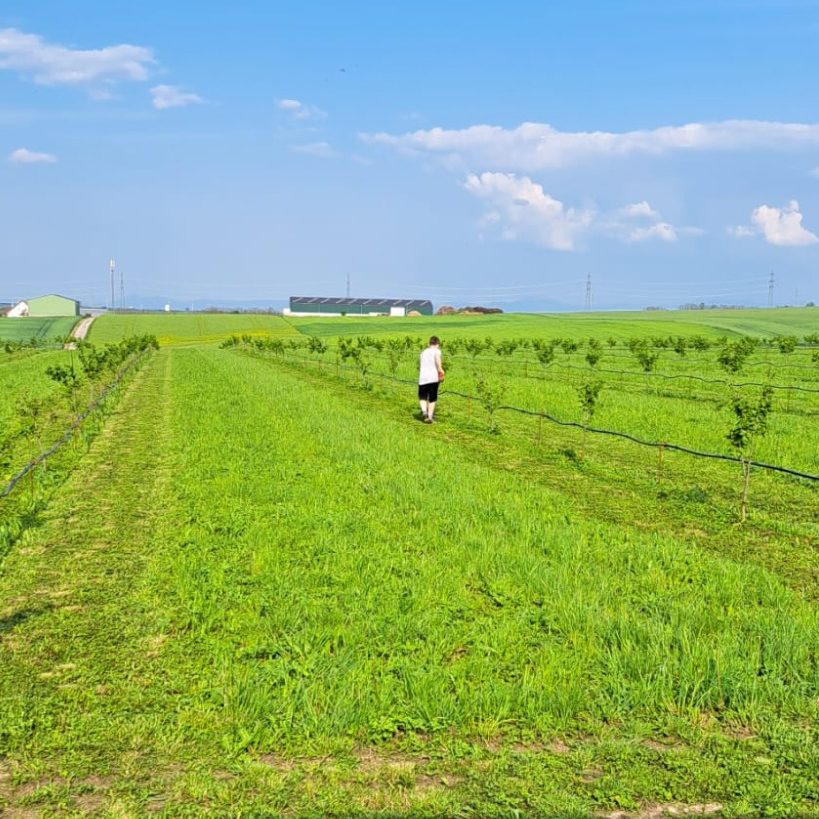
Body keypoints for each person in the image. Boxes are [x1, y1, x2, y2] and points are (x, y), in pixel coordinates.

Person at [418, 336, 444, 423]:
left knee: (422, 396)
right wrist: (441, 371)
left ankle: (424, 411)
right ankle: (429, 417)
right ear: (438, 344)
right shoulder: (437, 351)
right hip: (433, 378)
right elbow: (437, 362)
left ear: (429, 344)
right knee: (432, 398)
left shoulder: (423, 353)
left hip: (422, 378)